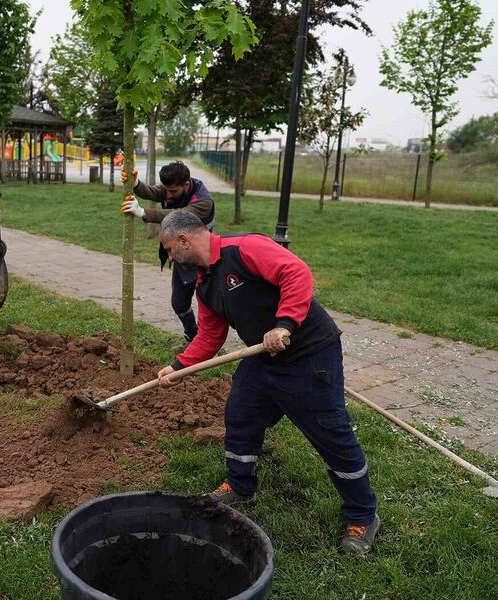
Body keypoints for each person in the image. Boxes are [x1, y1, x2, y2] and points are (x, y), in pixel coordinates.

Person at [154, 210, 380, 556]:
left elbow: (296, 272)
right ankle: (240, 486)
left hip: (309, 354)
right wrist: (178, 366)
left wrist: (284, 324)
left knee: (331, 434)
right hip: (264, 358)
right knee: (241, 415)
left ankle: (363, 515)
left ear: (183, 240)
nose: (171, 257)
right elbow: (211, 335)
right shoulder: (205, 282)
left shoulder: (244, 248)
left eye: (169, 249)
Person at [119, 161, 214, 350]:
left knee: (209, 305)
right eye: (166, 189)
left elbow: (177, 216)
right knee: (179, 302)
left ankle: (207, 344)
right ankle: (192, 337)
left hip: (206, 261)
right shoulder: (173, 187)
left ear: (186, 185)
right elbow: (153, 192)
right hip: (182, 257)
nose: (168, 194)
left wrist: (143, 212)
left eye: (172, 191)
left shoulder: (203, 202)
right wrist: (136, 183)